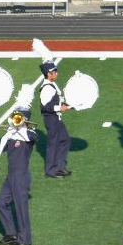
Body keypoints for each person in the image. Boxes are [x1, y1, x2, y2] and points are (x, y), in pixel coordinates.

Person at [0, 85, 38, 245]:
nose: (16, 119)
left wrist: (23, 129)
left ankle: (25, 239)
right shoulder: (12, 134)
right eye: (15, 117)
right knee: (1, 202)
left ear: (25, 119)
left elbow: (35, 137)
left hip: (21, 176)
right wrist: (10, 131)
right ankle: (11, 233)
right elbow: (0, 147)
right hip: (11, 176)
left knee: (21, 208)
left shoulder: (28, 135)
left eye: (19, 118)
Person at [34, 39, 72, 178]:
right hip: (51, 119)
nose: (57, 73)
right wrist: (60, 108)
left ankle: (60, 166)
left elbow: (57, 101)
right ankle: (51, 170)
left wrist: (68, 105)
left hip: (56, 118)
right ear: (48, 73)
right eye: (55, 72)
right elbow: (46, 106)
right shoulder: (46, 88)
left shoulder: (52, 84)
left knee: (65, 139)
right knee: (53, 144)